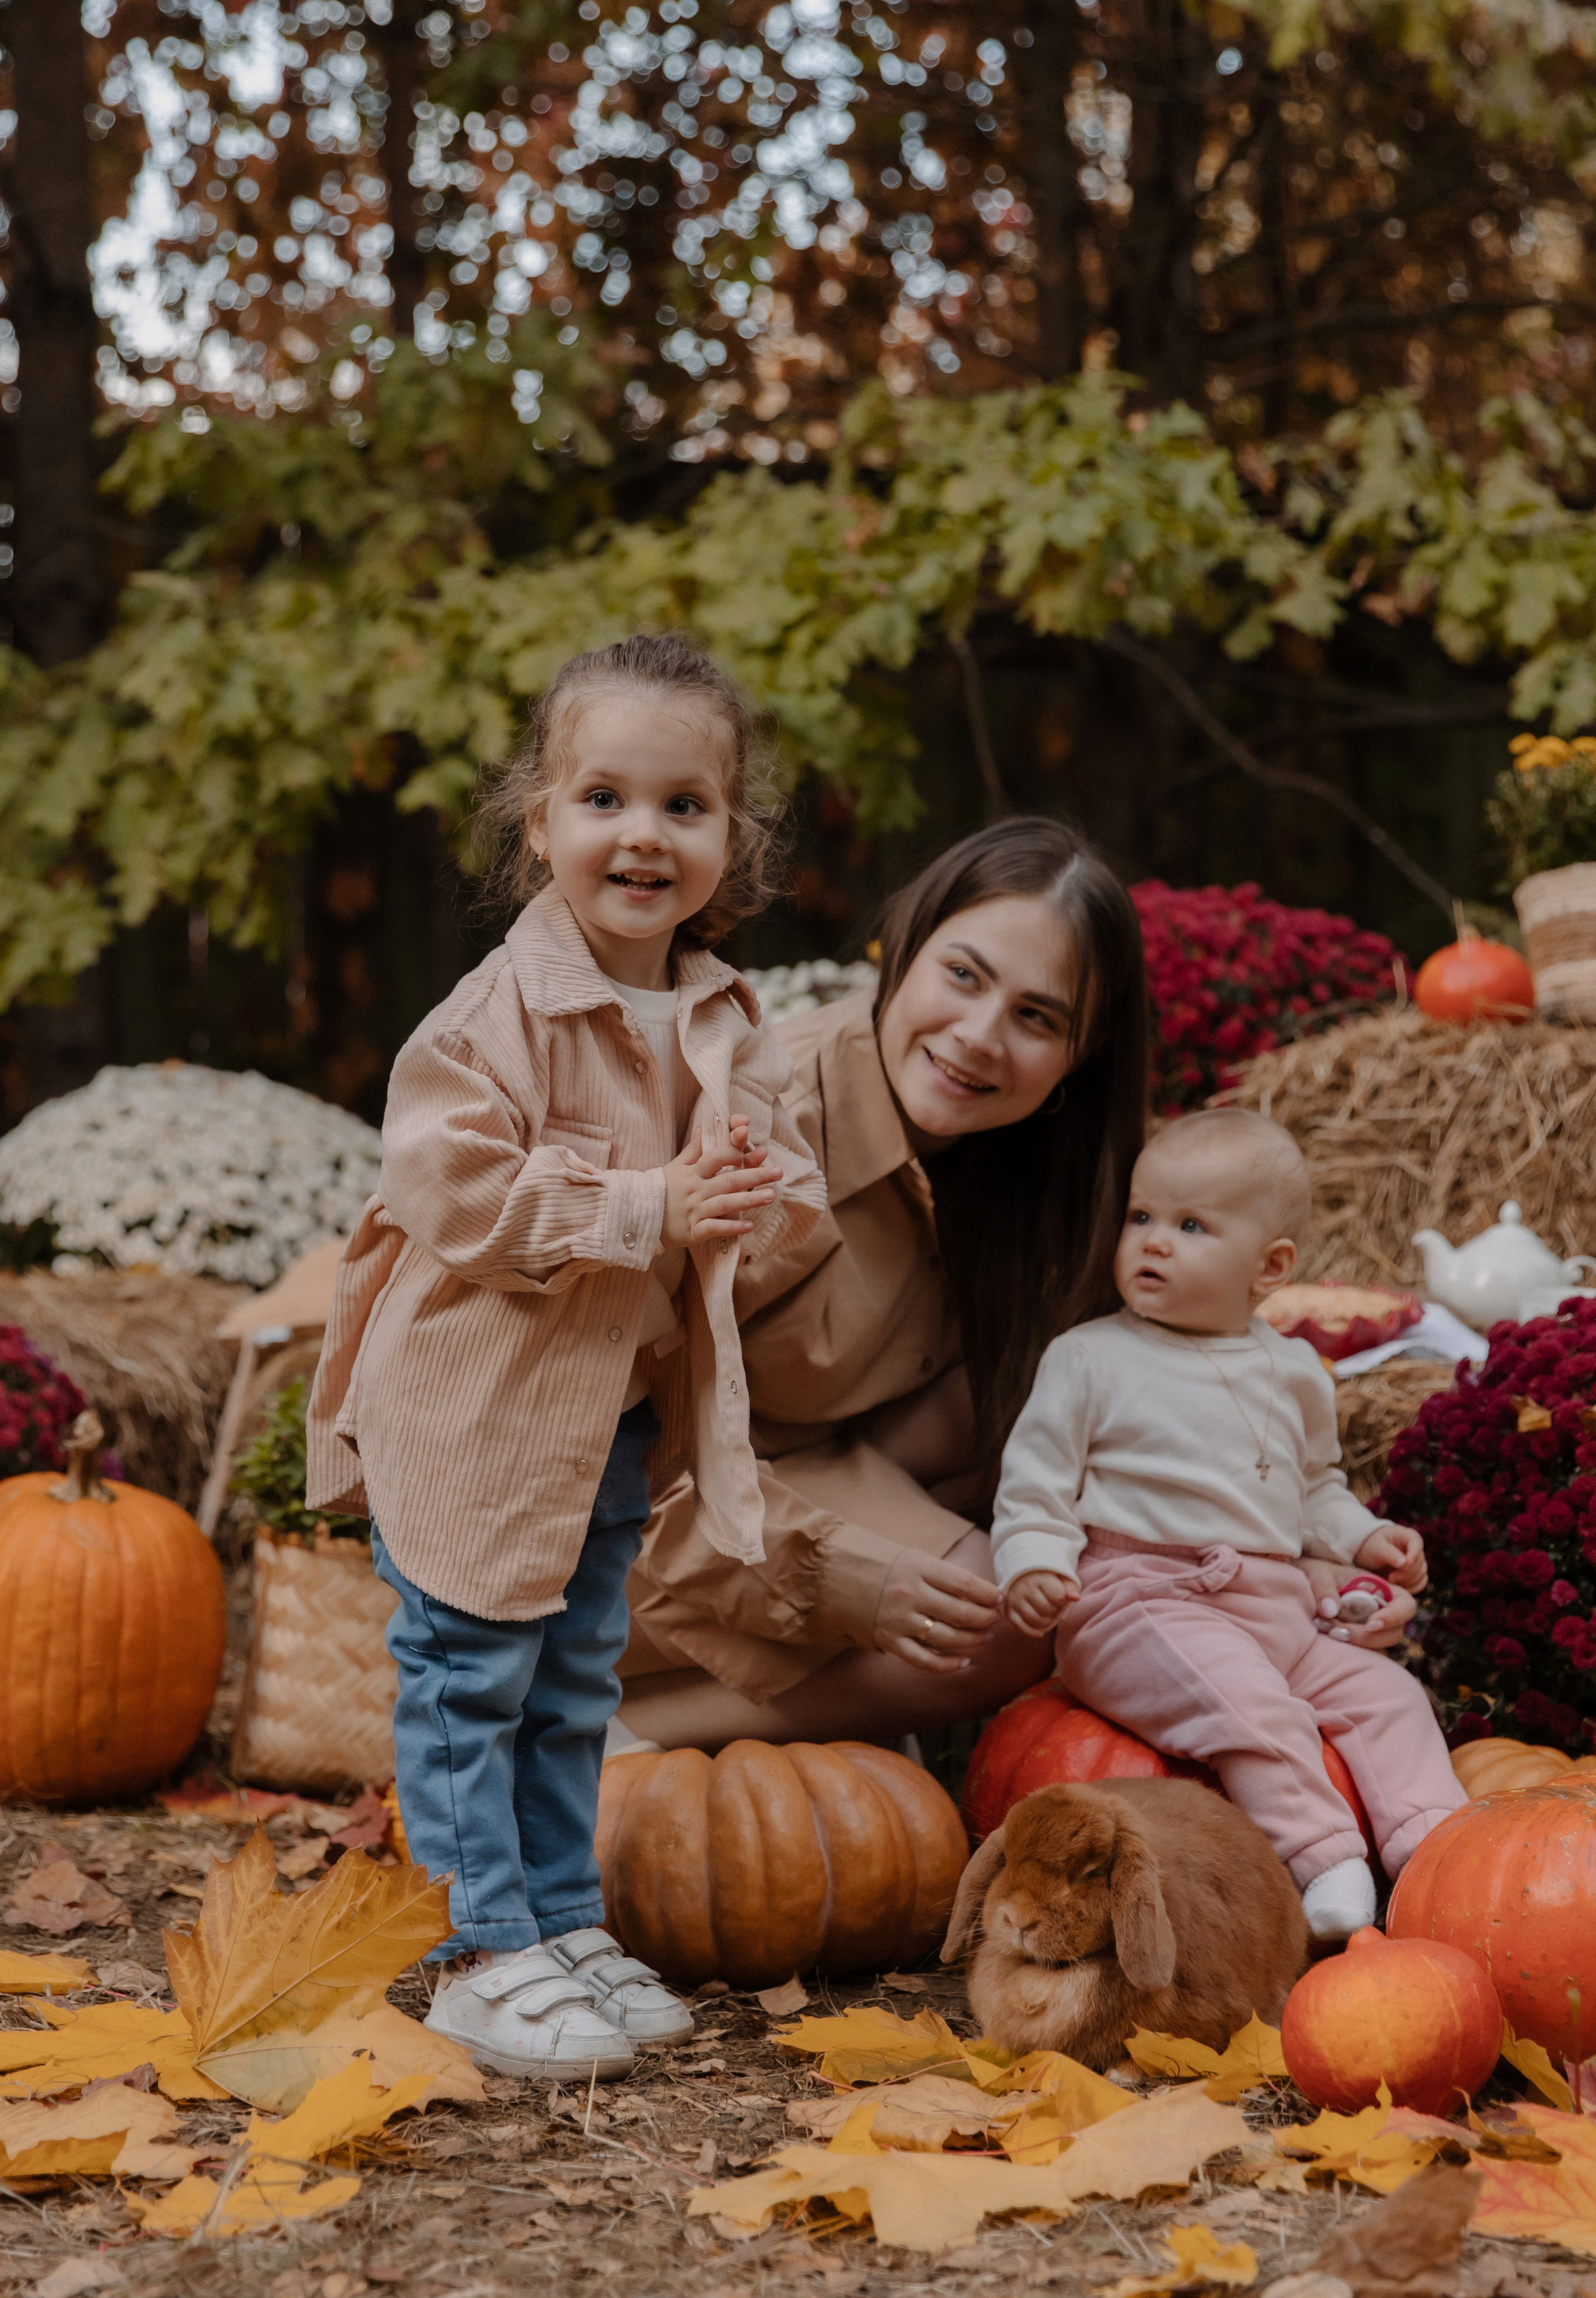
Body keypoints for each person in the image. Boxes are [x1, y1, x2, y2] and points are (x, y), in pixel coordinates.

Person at [305, 633, 824, 2079]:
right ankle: (480, 1949)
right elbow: (448, 1188)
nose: (640, 835)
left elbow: (771, 1192)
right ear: (538, 823)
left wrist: (752, 1197)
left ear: (734, 837)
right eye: (602, 799)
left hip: (605, 1407)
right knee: (470, 1668)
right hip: (471, 1408)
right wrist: (649, 1203)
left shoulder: (724, 1016)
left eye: (681, 805)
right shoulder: (495, 1015)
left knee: (575, 1672)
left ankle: (556, 1916)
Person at [611, 815, 1150, 1751]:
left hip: (777, 1473)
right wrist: (849, 1580)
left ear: (1079, 1058)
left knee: (1034, 1414)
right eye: (964, 976)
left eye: (1038, 1017)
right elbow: (608, 1462)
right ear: (903, 948)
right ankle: (611, 1740)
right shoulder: (755, 1141)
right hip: (616, 1530)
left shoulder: (1028, 1175)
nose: (980, 1037)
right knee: (991, 1618)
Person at [993, 1108, 1468, 1941]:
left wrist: (1360, 1537)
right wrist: (1033, 1561)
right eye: (1141, 1217)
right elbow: (1036, 1481)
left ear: (1270, 1266)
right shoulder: (1089, 1357)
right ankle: (1326, 1863)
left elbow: (1312, 1486)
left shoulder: (1293, 1369)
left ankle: (1437, 1853)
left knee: (1387, 1694)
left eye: (1190, 1225)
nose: (1152, 1242)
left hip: (1272, 1609)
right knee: (1249, 1704)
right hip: (1138, 1599)